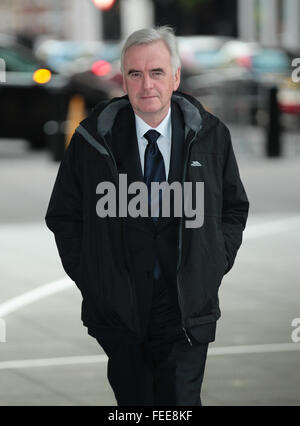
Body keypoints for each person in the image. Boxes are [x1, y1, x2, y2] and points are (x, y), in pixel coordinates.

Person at [45, 26, 249, 406]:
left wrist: (212, 263)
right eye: (134, 74)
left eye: (156, 72)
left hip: (186, 310)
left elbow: (233, 208)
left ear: (175, 77)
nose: (146, 85)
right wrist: (95, 277)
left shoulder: (211, 135)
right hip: (121, 311)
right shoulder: (93, 139)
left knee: (180, 405)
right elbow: (63, 216)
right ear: (124, 79)